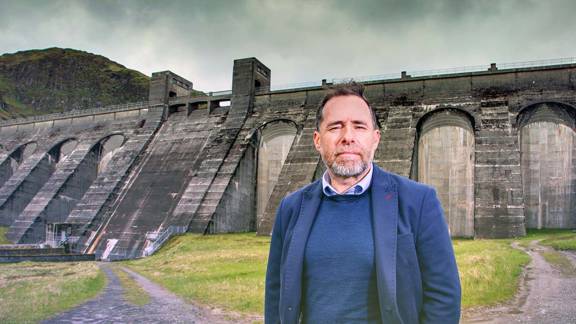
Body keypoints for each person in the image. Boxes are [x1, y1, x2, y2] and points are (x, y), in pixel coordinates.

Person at [264, 82, 461, 324]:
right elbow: (276, 292)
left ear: (375, 139)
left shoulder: (418, 201)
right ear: (317, 140)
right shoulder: (291, 208)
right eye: (335, 127)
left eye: (359, 127)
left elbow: (443, 296)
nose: (348, 137)